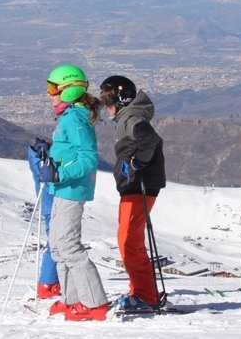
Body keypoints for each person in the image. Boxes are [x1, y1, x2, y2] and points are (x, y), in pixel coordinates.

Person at [28, 64, 109, 321]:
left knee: (68, 246)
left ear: (69, 90)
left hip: (72, 189)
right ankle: (71, 298)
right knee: (58, 246)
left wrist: (59, 173)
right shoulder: (69, 116)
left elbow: (88, 157)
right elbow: (71, 151)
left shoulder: (75, 117)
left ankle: (94, 303)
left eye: (53, 88)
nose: (49, 93)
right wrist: (50, 156)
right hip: (62, 187)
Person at [99, 75, 166, 311]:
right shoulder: (127, 116)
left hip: (140, 185)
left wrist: (138, 163)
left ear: (120, 98)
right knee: (128, 239)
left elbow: (149, 139)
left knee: (128, 241)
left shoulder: (130, 116)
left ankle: (145, 296)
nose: (104, 105)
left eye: (107, 98)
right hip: (136, 185)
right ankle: (140, 290)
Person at [27, 138, 61, 299]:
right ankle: (48, 284)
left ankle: (50, 282)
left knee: (55, 241)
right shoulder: (42, 160)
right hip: (52, 204)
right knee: (56, 242)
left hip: (49, 205)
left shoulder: (38, 158)